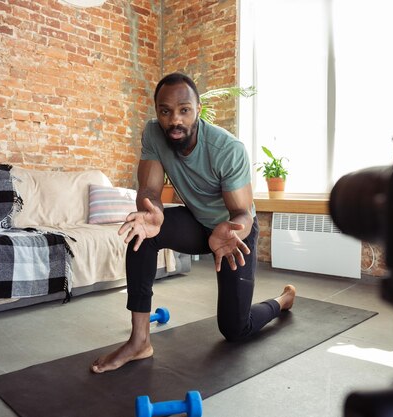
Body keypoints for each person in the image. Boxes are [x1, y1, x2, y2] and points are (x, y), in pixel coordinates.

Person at [91, 73, 296, 374]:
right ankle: (139, 341)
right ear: (157, 112)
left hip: (232, 235)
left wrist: (230, 228)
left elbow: (243, 213)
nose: (175, 120)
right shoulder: (153, 134)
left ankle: (283, 300)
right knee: (143, 233)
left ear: (198, 109)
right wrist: (153, 213)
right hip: (197, 222)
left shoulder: (227, 149)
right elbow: (149, 190)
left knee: (235, 329)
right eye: (165, 111)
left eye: (184, 110)